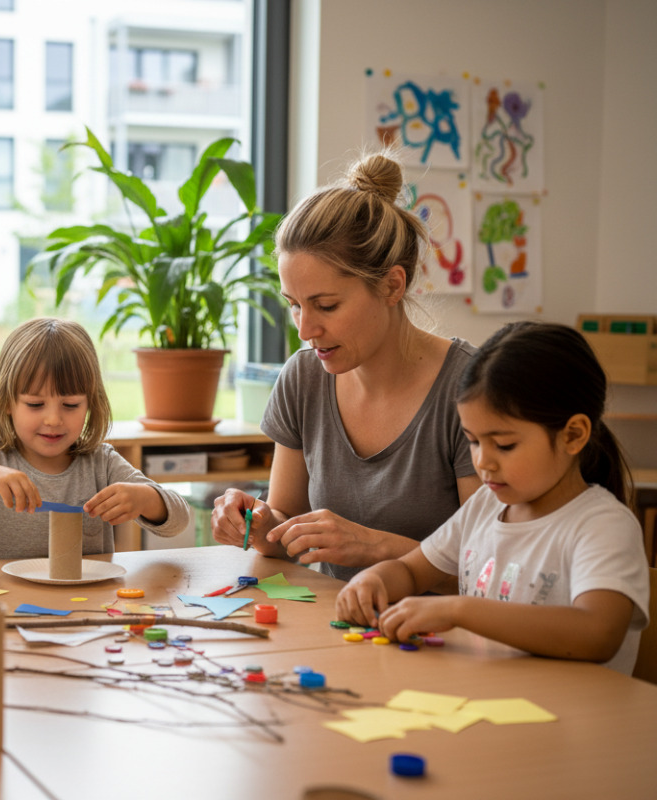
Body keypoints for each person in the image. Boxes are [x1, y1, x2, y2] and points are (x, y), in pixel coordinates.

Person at [211, 150, 482, 581]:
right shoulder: (303, 378)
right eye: (294, 305)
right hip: (338, 617)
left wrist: (376, 547)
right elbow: (284, 529)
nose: (305, 329)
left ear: (393, 285)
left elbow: (491, 569)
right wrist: (257, 525)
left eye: (326, 305)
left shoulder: (472, 387)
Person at [336, 321, 649, 674]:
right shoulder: (486, 505)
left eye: (504, 445)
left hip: (572, 707)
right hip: (493, 696)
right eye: (473, 441)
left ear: (573, 435)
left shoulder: (603, 526)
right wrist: (372, 581)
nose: (482, 461)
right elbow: (410, 570)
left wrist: (458, 610)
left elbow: (598, 634)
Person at [0, 317, 191, 561]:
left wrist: (145, 498)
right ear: (7, 402)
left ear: (90, 404)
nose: (53, 419)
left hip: (85, 606)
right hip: (0, 604)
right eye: (35, 404)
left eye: (71, 405)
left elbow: (178, 521)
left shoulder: (100, 463)